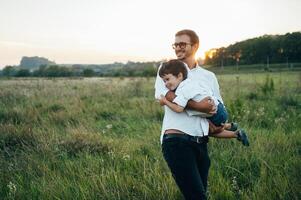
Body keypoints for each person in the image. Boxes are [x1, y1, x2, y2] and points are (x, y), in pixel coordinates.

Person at [154, 29, 244, 200]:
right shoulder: (167, 69)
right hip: (176, 141)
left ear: (195, 46)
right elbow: (164, 95)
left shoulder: (208, 76)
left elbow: (217, 106)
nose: (177, 48)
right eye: (175, 44)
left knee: (199, 193)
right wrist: (200, 107)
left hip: (201, 142)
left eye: (182, 44)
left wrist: (213, 117)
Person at [158, 59, 249, 146]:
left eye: (167, 79)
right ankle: (230, 126)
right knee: (207, 128)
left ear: (179, 76)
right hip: (218, 108)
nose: (165, 84)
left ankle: (233, 131)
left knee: (210, 130)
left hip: (216, 112)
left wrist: (165, 101)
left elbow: (179, 108)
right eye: (164, 81)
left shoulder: (183, 89)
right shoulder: (190, 83)